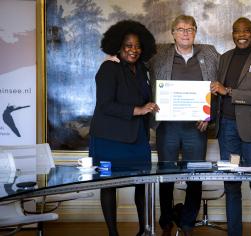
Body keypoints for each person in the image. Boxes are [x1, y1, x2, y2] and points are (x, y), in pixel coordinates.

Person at [149, 15, 219, 236]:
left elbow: (227, 75)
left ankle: (188, 222)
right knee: (166, 175)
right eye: (180, 29)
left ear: (196, 31)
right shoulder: (158, 55)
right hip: (167, 126)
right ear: (173, 33)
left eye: (190, 29)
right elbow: (133, 59)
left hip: (196, 127)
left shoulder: (210, 54)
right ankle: (166, 221)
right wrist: (114, 56)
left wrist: (208, 115)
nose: (185, 33)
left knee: (195, 176)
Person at [88, 20, 158, 236]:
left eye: (137, 46)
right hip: (109, 141)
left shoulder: (143, 69)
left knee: (142, 183)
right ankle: (113, 233)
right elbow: (105, 105)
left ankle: (144, 230)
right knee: (108, 186)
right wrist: (138, 110)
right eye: (128, 45)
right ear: (118, 45)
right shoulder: (108, 68)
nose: (133, 50)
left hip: (137, 139)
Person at [210, 17, 251, 236]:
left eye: (246, 31)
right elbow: (215, 91)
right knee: (231, 184)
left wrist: (228, 91)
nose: (242, 35)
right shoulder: (224, 58)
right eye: (237, 31)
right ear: (232, 33)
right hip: (227, 129)